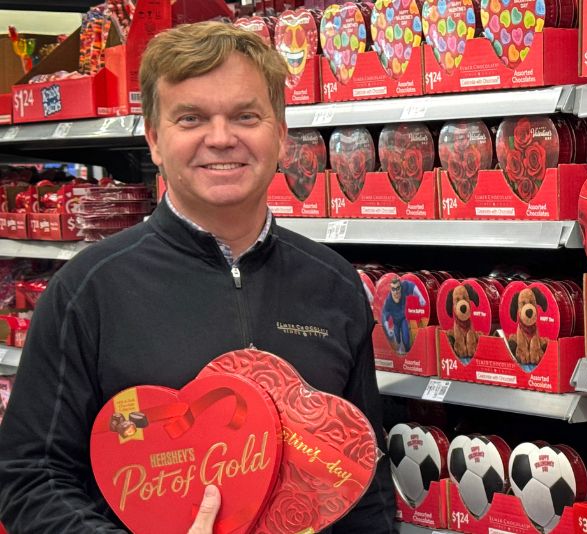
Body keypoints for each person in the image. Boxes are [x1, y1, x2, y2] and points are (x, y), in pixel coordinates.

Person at [0, 21, 394, 533]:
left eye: (245, 116)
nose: (221, 138)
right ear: (156, 140)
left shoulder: (335, 285)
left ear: (279, 135)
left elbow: (364, 477)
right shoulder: (87, 291)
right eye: (191, 118)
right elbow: (30, 479)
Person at [380, 276, 426, 354]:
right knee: (397, 338)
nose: (396, 292)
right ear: (391, 290)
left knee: (406, 339)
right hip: (395, 322)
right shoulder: (388, 301)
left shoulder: (404, 287)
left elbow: (412, 286)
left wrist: (420, 296)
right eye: (393, 289)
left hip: (403, 319)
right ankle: (399, 348)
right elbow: (384, 315)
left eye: (398, 288)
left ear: (401, 287)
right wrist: (387, 329)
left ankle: (408, 352)